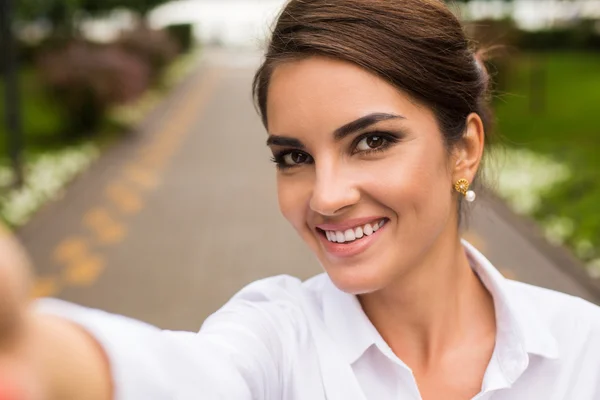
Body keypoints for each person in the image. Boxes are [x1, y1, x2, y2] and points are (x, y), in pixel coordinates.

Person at [2, 0, 600, 399]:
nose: (326, 196)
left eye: (372, 141)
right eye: (294, 157)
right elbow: (192, 378)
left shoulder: (582, 350)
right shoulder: (276, 336)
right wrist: (32, 347)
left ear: (464, 150)